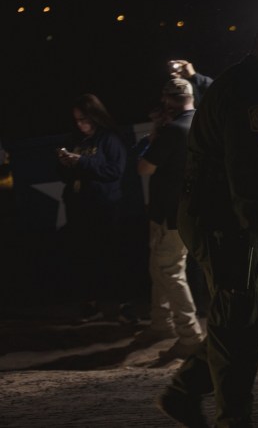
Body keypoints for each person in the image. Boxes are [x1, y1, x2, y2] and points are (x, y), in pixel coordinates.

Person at [155, 17, 258, 427]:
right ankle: (231, 418)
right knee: (238, 329)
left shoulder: (248, 86)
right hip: (223, 221)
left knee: (246, 316)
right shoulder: (249, 94)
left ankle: (184, 391)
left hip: (223, 218)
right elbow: (246, 172)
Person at [134, 78, 204, 358]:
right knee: (159, 267)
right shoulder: (203, 123)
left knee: (170, 271)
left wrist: (154, 134)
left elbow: (144, 168)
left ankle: (190, 335)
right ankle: (161, 322)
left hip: (171, 215)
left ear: (168, 101)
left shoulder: (173, 130)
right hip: (192, 210)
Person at [57, 94, 134, 323]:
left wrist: (81, 162)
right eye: (77, 120)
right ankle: (92, 305)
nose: (80, 124)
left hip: (105, 208)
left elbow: (113, 171)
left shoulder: (109, 139)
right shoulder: (77, 141)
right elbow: (68, 176)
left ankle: (124, 305)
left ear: (95, 116)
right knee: (85, 258)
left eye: (84, 119)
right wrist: (65, 163)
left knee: (112, 256)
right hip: (81, 208)